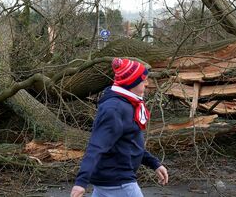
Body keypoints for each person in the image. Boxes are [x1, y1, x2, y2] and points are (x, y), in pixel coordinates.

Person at [71, 58, 169, 197]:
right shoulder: (114, 108)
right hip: (118, 180)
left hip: (112, 179)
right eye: (144, 80)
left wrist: (154, 163)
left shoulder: (129, 104)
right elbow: (97, 145)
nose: (147, 83)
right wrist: (81, 182)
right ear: (132, 83)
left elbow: (129, 142)